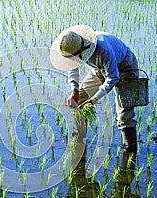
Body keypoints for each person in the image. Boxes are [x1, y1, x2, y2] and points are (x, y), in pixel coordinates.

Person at [50, 24, 139, 166]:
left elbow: (113, 77)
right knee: (80, 99)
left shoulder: (102, 49)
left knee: (124, 113)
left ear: (82, 50)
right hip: (100, 69)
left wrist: (95, 99)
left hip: (125, 67)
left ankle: (130, 151)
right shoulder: (73, 47)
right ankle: (78, 141)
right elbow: (72, 68)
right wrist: (74, 89)